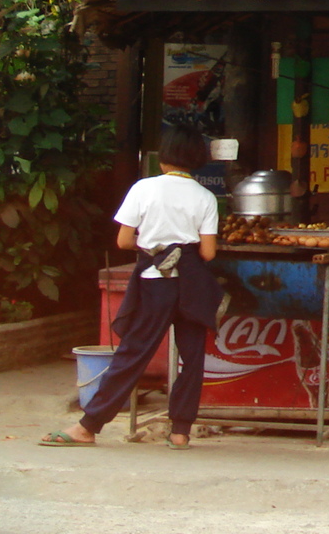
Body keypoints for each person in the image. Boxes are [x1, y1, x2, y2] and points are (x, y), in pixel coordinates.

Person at [40, 129, 222, 450]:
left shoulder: (144, 188)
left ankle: (89, 425)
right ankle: (180, 432)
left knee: (134, 353)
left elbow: (124, 241)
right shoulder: (205, 197)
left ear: (163, 157)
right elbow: (208, 253)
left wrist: (155, 248)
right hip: (193, 284)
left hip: (155, 283)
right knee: (192, 358)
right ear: (197, 160)